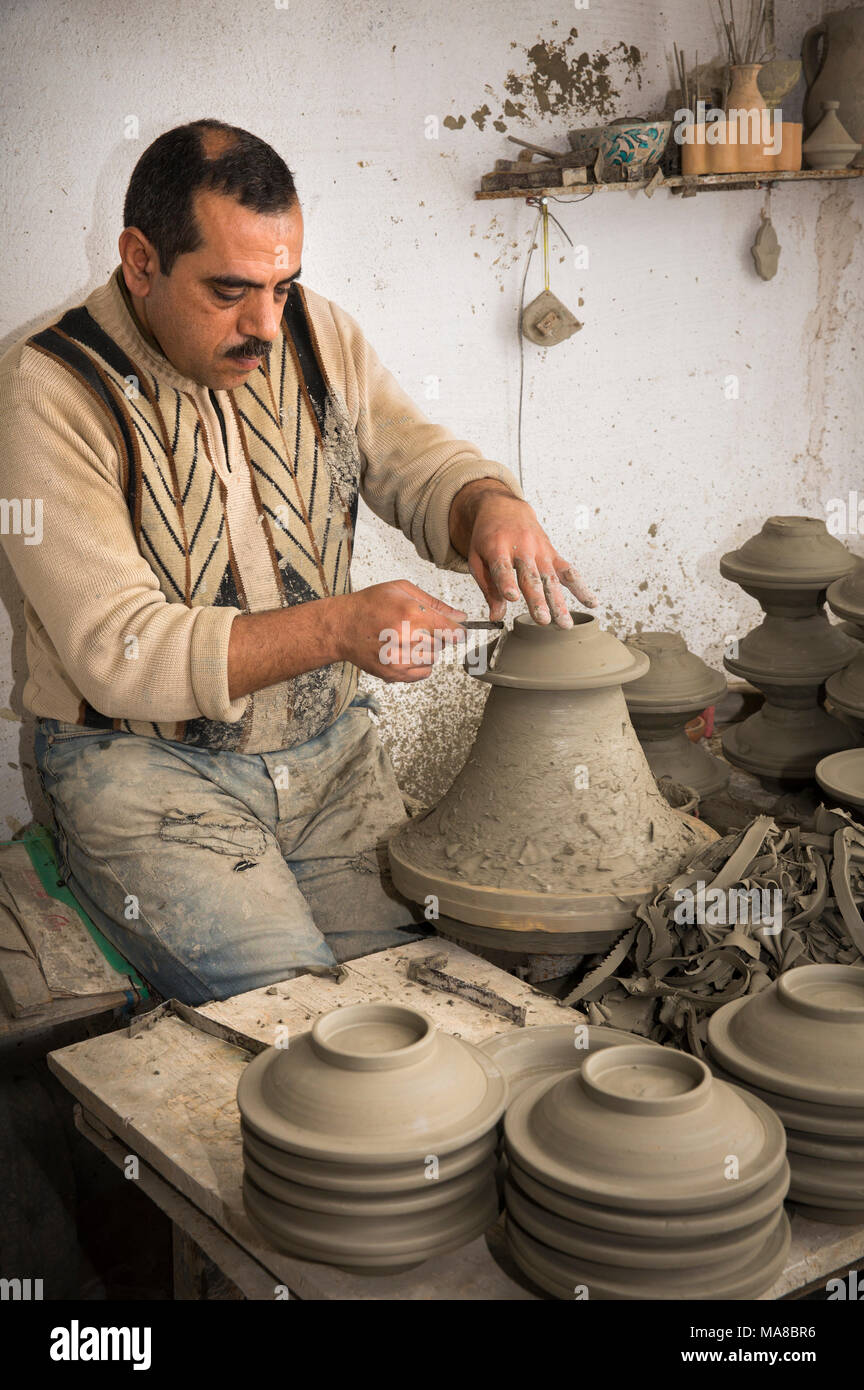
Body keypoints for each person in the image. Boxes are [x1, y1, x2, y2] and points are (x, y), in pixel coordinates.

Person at [0, 119, 595, 1004]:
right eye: (232, 290)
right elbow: (121, 654)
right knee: (308, 1029)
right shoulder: (49, 390)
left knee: (424, 1002)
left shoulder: (316, 335)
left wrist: (487, 503)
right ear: (140, 261)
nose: (266, 326)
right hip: (141, 774)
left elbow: (416, 461)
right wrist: (339, 628)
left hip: (330, 761)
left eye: (285, 286)